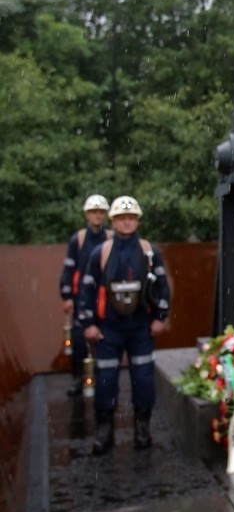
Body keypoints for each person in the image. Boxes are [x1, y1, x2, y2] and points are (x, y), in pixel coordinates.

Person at [78, 195, 171, 455]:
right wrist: (88, 324)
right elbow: (86, 290)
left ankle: (142, 429)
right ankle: (104, 431)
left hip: (141, 327)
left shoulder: (148, 251)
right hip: (108, 329)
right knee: (106, 379)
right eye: (121, 218)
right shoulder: (100, 253)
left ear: (137, 220)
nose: (127, 222)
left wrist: (160, 318)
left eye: (131, 218)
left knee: (143, 379)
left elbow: (162, 287)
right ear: (113, 221)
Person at [59, 194, 112, 396]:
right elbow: (68, 268)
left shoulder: (110, 238)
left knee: (105, 339)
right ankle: (77, 379)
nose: (97, 216)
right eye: (93, 212)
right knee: (79, 340)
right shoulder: (78, 240)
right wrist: (66, 296)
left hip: (105, 297)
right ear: (87, 215)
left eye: (101, 212)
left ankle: (101, 379)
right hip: (83, 297)